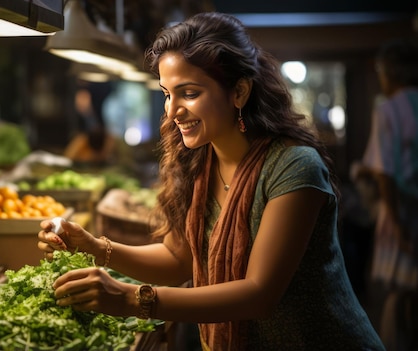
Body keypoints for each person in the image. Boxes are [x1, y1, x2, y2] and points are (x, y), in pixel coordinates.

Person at [38, 12, 384, 350]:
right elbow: (178, 260)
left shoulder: (293, 166)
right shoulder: (198, 161)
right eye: (167, 94)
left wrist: (133, 298)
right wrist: (95, 247)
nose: (172, 112)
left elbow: (259, 295)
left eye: (188, 93)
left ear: (239, 92)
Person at [351, 36, 418, 351]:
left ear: (390, 72)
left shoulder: (388, 109)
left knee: (394, 290)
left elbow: (385, 171)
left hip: (400, 210)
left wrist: (395, 219)